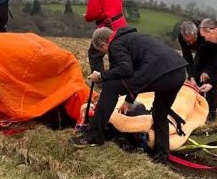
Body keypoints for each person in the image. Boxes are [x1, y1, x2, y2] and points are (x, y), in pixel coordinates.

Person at [71, 26, 187, 162]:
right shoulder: (131, 39)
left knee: (110, 86)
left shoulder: (115, 44)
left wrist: (102, 76)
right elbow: (138, 73)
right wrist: (129, 100)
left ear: (104, 44)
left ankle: (94, 136)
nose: (106, 55)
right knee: (159, 113)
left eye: (103, 52)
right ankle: (161, 155)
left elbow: (125, 70)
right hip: (178, 72)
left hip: (161, 72)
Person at [177, 20, 217, 121]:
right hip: (200, 53)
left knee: (210, 83)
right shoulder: (181, 36)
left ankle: (211, 113)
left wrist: (208, 71)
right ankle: (196, 110)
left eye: (192, 40)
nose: (190, 43)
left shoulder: (205, 33)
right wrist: (191, 76)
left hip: (213, 53)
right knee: (195, 81)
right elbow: (187, 56)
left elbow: (216, 56)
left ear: (197, 33)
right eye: (187, 41)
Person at [82, 0, 127, 73]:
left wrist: (86, 17)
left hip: (108, 27)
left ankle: (100, 81)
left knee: (94, 54)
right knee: (118, 54)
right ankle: (119, 81)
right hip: (121, 24)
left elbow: (92, 13)